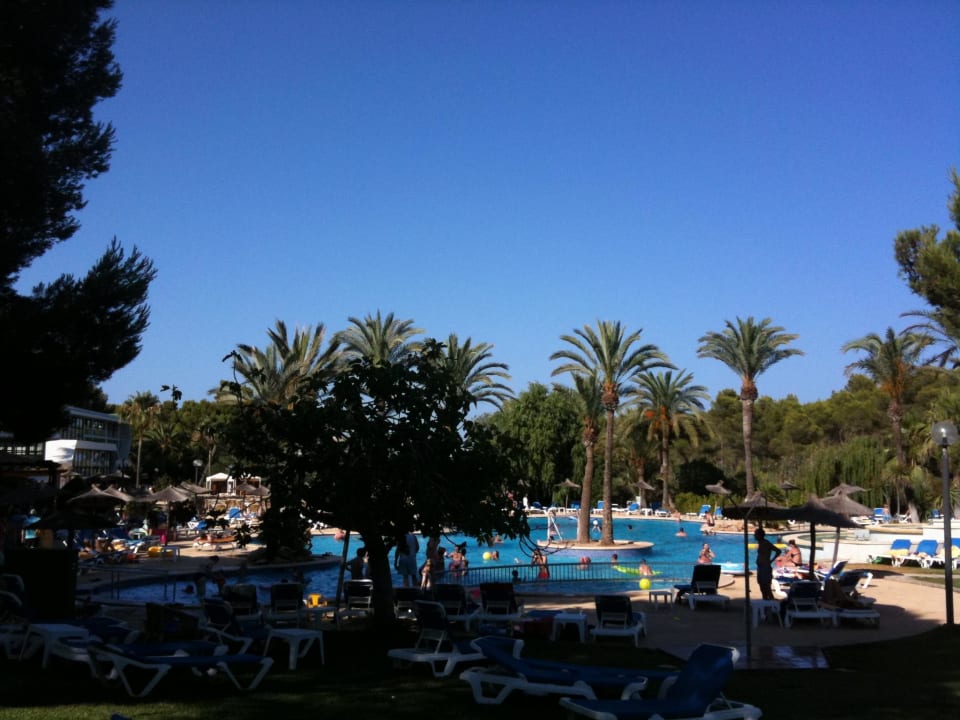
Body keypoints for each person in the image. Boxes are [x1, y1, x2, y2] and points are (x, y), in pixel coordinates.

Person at [754, 527, 781, 601]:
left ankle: (771, 603)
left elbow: (778, 551)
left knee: (766, 587)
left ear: (760, 535)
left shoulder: (766, 543)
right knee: (762, 586)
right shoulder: (760, 543)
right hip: (760, 567)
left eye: (755, 534)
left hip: (765, 568)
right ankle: (765, 602)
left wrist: (771, 560)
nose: (754, 536)